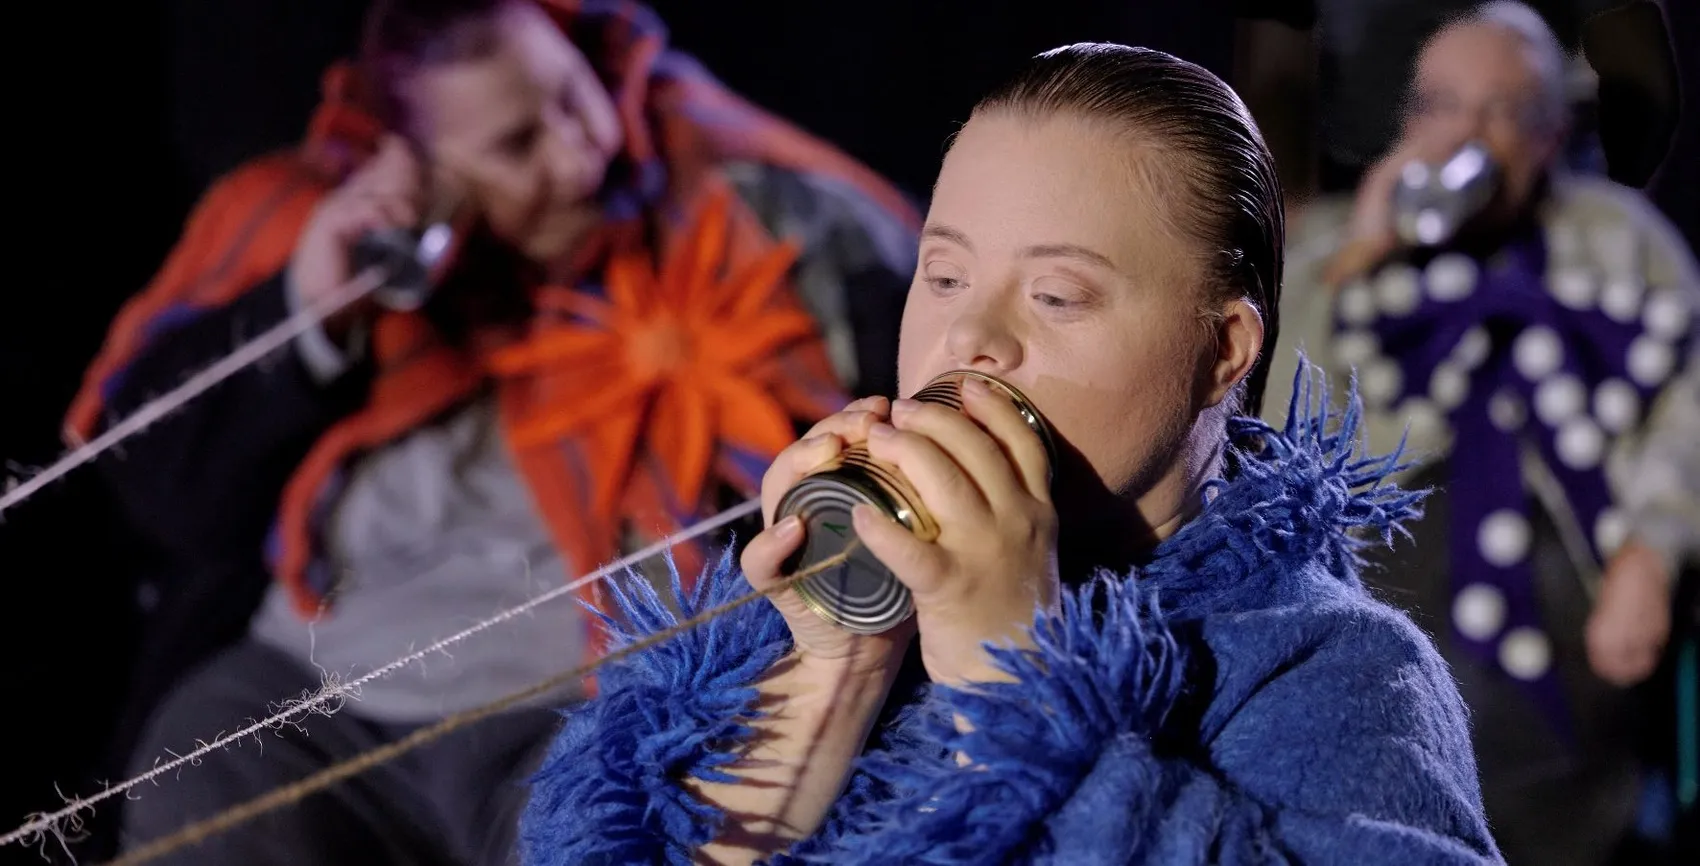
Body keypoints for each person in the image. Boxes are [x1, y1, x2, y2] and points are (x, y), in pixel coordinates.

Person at [519, 43, 1501, 864]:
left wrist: (1014, 675)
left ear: (1221, 352)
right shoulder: (797, 628)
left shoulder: (1334, 668)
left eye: (1055, 295)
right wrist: (837, 666)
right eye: (942, 274)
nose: (967, 337)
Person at [64, 0, 918, 862]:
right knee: (198, 766)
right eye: (516, 145)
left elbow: (916, 329)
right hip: (320, 698)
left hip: (564, 708)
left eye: (574, 97)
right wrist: (314, 313)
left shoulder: (737, 202)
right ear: (421, 168)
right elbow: (158, 491)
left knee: (615, 827)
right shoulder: (327, 231)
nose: (582, 154)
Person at [1264, 2, 1698, 862]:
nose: (1471, 134)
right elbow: (1279, 422)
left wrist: (1654, 551)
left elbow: (1685, 409)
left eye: (1504, 111)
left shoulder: (1616, 240)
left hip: (1574, 618)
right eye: (1445, 107)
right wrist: (1363, 256)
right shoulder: (1333, 248)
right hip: (1381, 610)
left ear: (1549, 131)